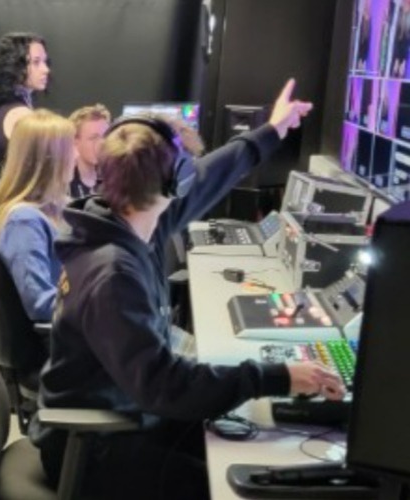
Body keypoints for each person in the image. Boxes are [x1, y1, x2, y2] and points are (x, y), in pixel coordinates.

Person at [28, 79, 346, 499]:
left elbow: (212, 176)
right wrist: (276, 376)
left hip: (125, 412)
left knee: (248, 442)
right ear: (173, 181)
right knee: (238, 484)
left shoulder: (127, 221)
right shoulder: (114, 273)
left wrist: (272, 130)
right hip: (93, 448)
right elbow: (167, 385)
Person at [0, 109, 75, 339]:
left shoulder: (62, 206)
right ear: (50, 159)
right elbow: (40, 304)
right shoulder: (23, 222)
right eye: (70, 147)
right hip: (58, 350)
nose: (76, 155)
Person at [0, 32, 50, 162]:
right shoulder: (19, 114)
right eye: (36, 62)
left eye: (45, 61)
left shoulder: (10, 109)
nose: (46, 69)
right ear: (14, 66)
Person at [67, 104, 111, 198]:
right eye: (94, 138)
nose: (101, 144)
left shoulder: (114, 180)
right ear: (75, 142)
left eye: (105, 137)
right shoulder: (64, 183)